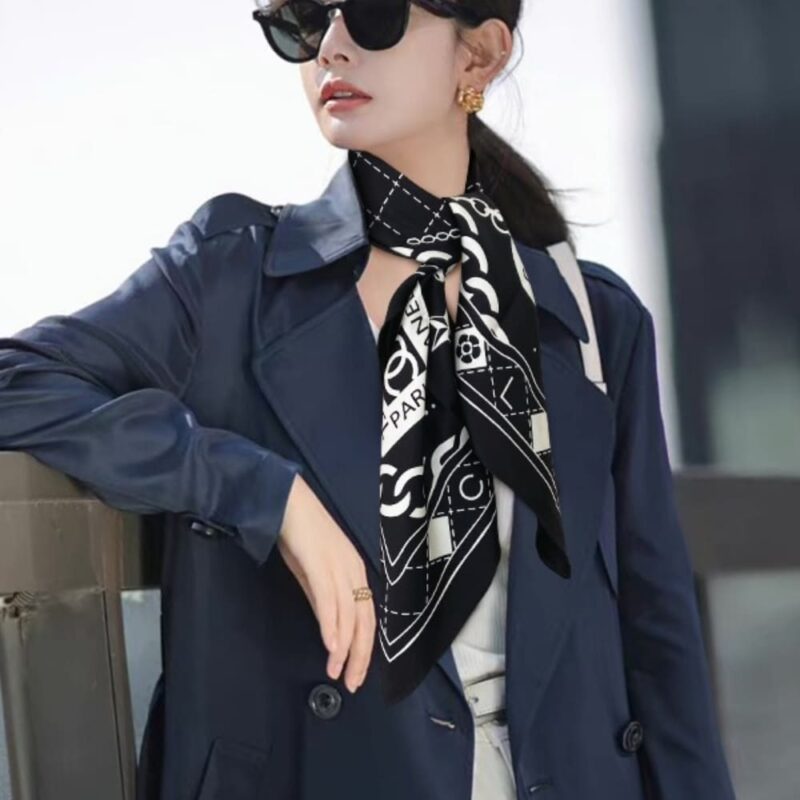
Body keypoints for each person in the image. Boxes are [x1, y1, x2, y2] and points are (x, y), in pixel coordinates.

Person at [0, 0, 738, 797]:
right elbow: (19, 379)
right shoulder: (230, 278)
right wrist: (265, 493)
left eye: (375, 15)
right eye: (303, 22)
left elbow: (660, 639)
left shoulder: (595, 321)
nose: (332, 48)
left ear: (479, 56)